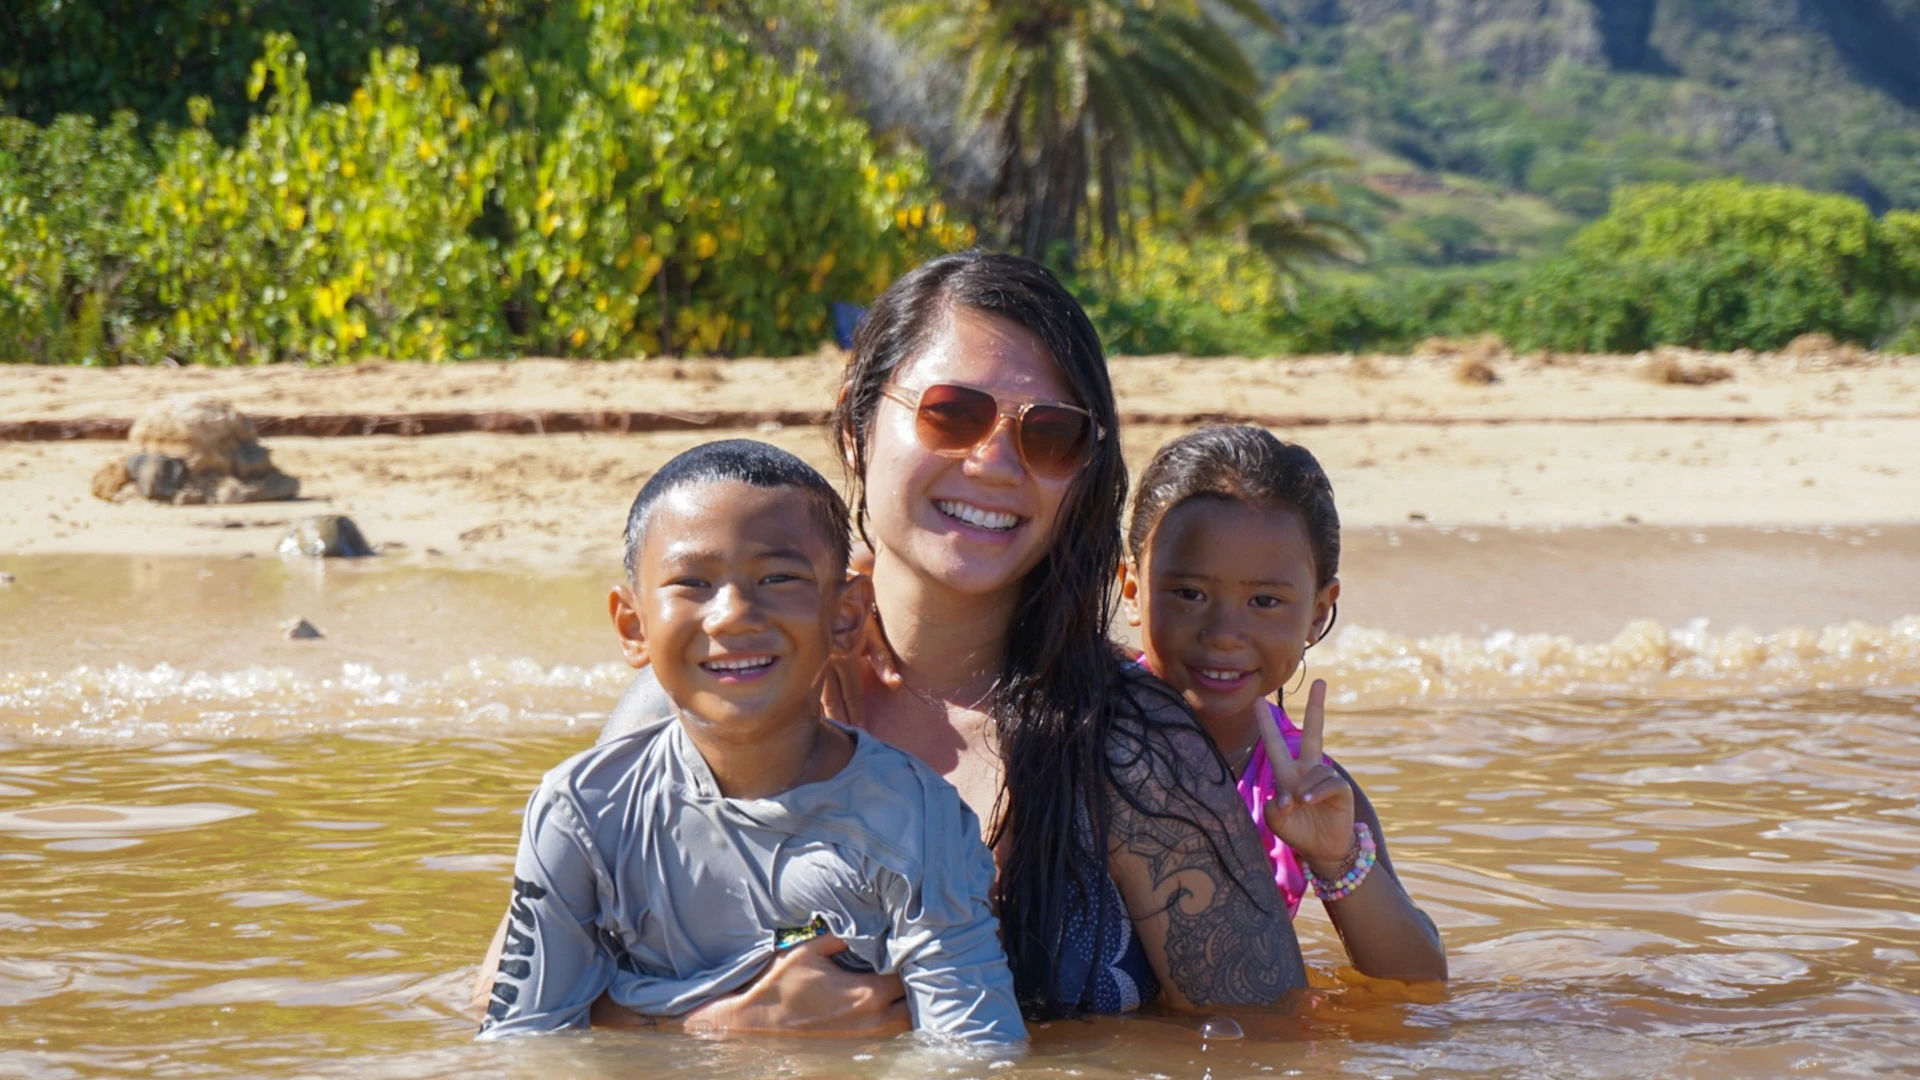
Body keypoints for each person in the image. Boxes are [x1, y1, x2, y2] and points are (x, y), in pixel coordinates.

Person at [559, 252, 1312, 1029]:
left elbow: (1272, 1037)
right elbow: (514, 1006)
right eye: (952, 414)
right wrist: (715, 1035)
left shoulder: (1130, 750)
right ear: (858, 427)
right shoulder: (714, 680)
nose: (993, 462)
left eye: (1049, 435)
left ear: (1080, 476)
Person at [477, 439, 1025, 1044]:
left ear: (845, 616)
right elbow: (524, 1046)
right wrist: (729, 1030)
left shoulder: (918, 823)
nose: (734, 614)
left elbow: (976, 1055)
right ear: (633, 626)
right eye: (692, 582)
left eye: (778, 577)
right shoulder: (582, 814)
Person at [1118, 426, 1447, 981]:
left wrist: (1335, 858)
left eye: (1265, 601)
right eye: (1189, 594)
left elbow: (1418, 979)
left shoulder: (1305, 786)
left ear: (1319, 612)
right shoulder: (1079, 719)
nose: (1224, 632)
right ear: (1132, 591)